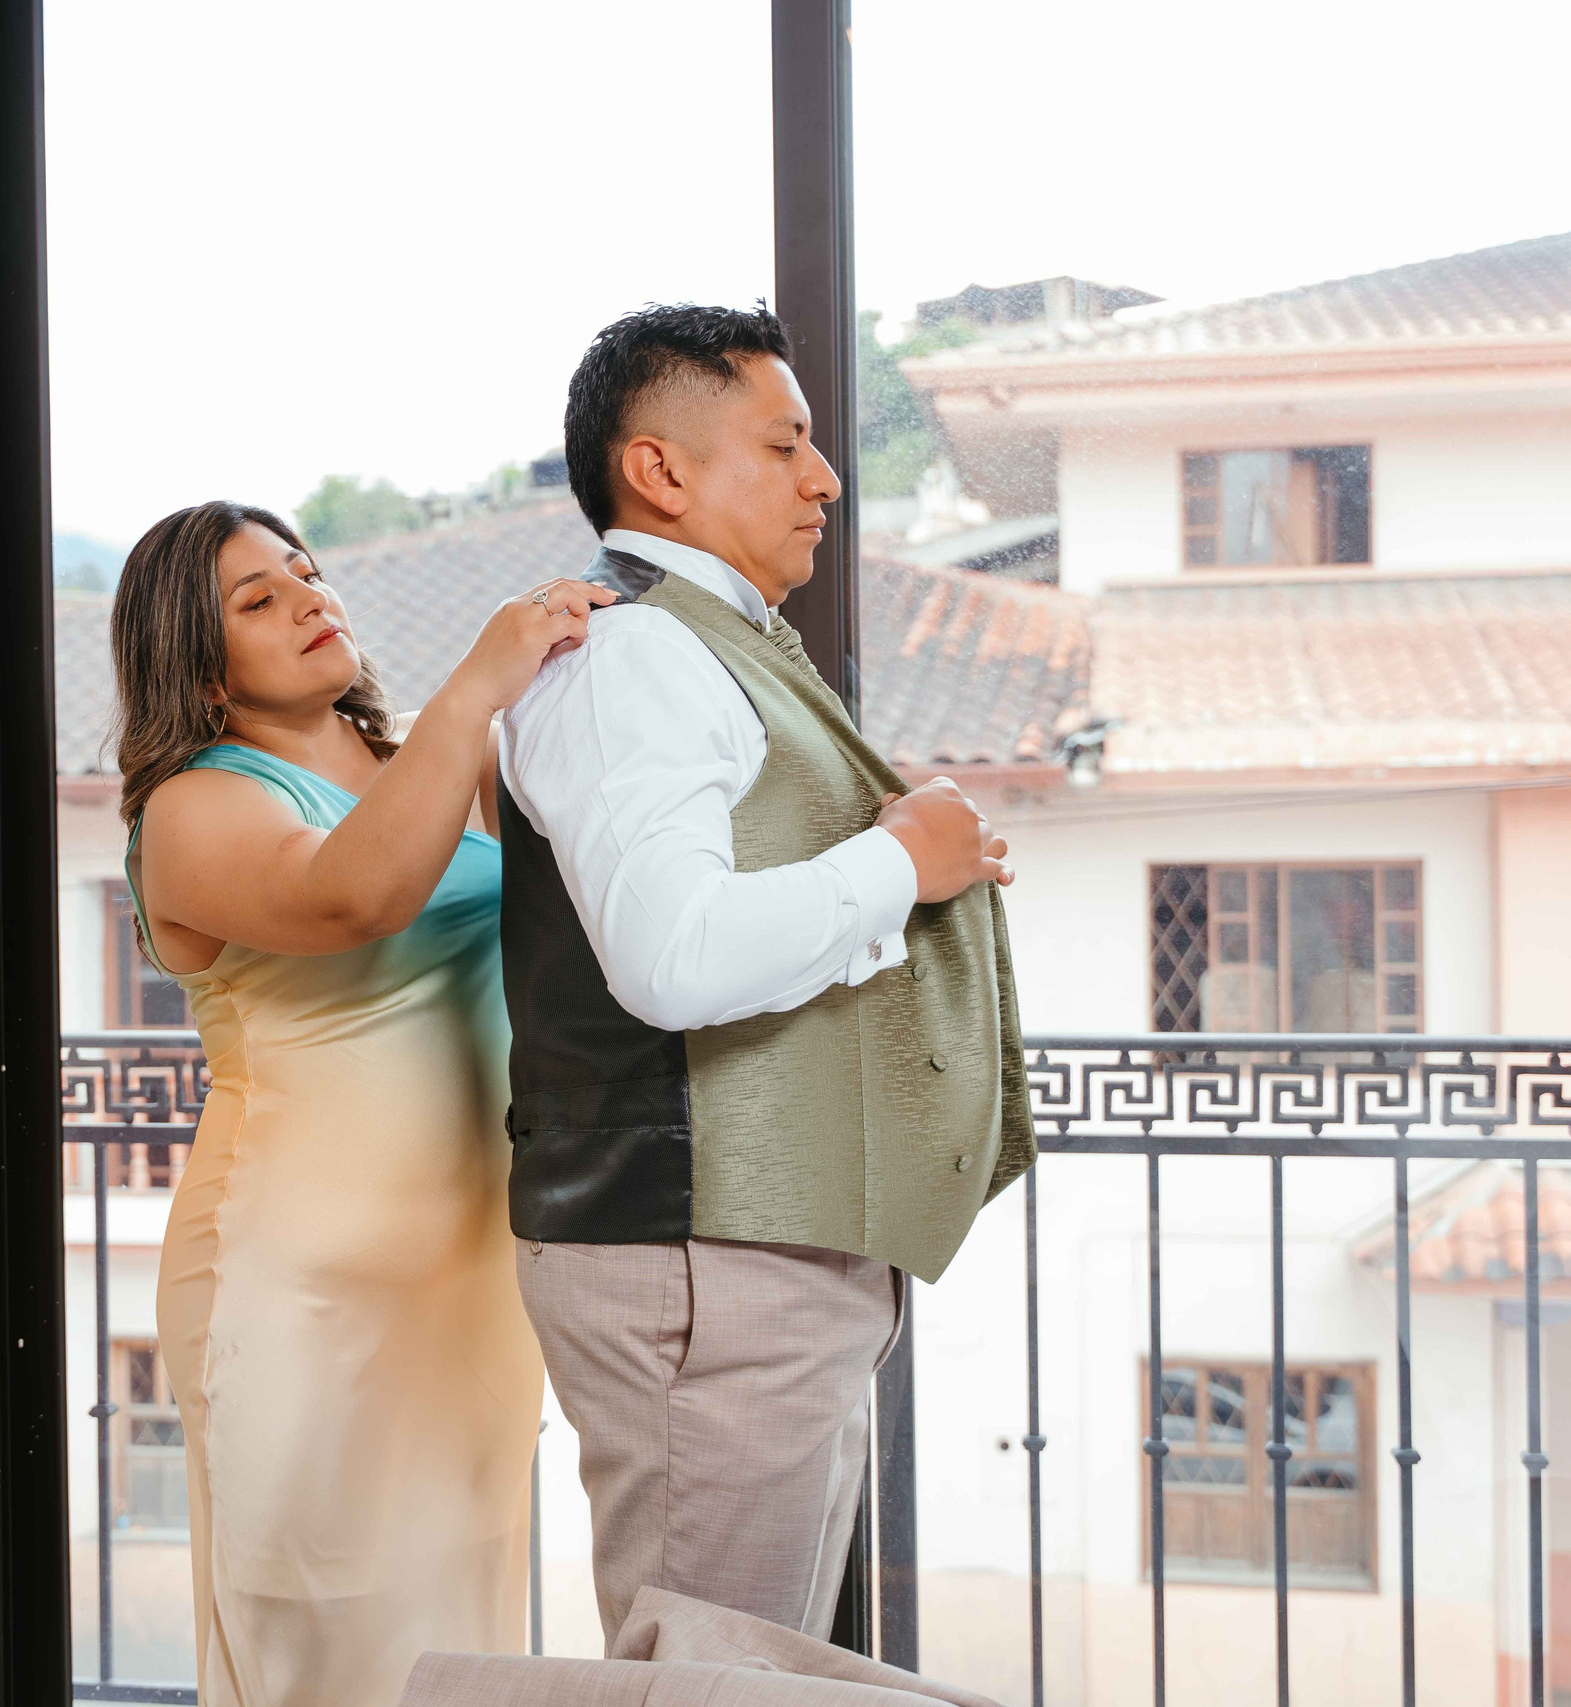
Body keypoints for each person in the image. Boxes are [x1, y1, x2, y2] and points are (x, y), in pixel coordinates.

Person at [499, 305, 1034, 1643]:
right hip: (700, 1255)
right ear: (659, 471)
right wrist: (900, 861)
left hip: (749, 1254)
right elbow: (673, 957)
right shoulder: (635, 652)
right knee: (712, 1674)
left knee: (749, 1667)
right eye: (785, 443)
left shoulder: (702, 641)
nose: (827, 479)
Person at [113, 500, 617, 1707]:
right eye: (258, 599)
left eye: (306, 572)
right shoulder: (191, 808)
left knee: (457, 1649)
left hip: (468, 1275)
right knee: (326, 1654)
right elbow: (353, 897)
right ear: (197, 660)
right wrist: (476, 686)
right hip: (299, 1287)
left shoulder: (421, 765)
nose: (308, 599)